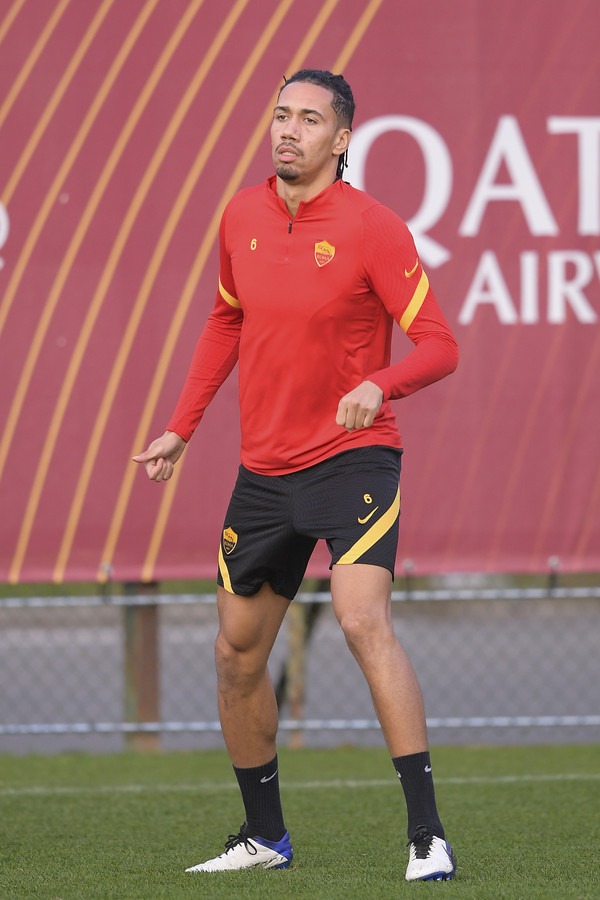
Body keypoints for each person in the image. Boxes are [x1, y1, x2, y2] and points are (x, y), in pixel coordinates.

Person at [133, 69, 459, 882]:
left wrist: (380, 383)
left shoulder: (373, 227)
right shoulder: (240, 214)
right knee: (236, 654)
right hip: (265, 472)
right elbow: (225, 320)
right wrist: (180, 427)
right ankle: (264, 837)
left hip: (353, 458)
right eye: (282, 114)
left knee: (361, 620)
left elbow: (439, 344)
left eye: (309, 119)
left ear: (341, 140)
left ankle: (427, 837)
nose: (288, 129)